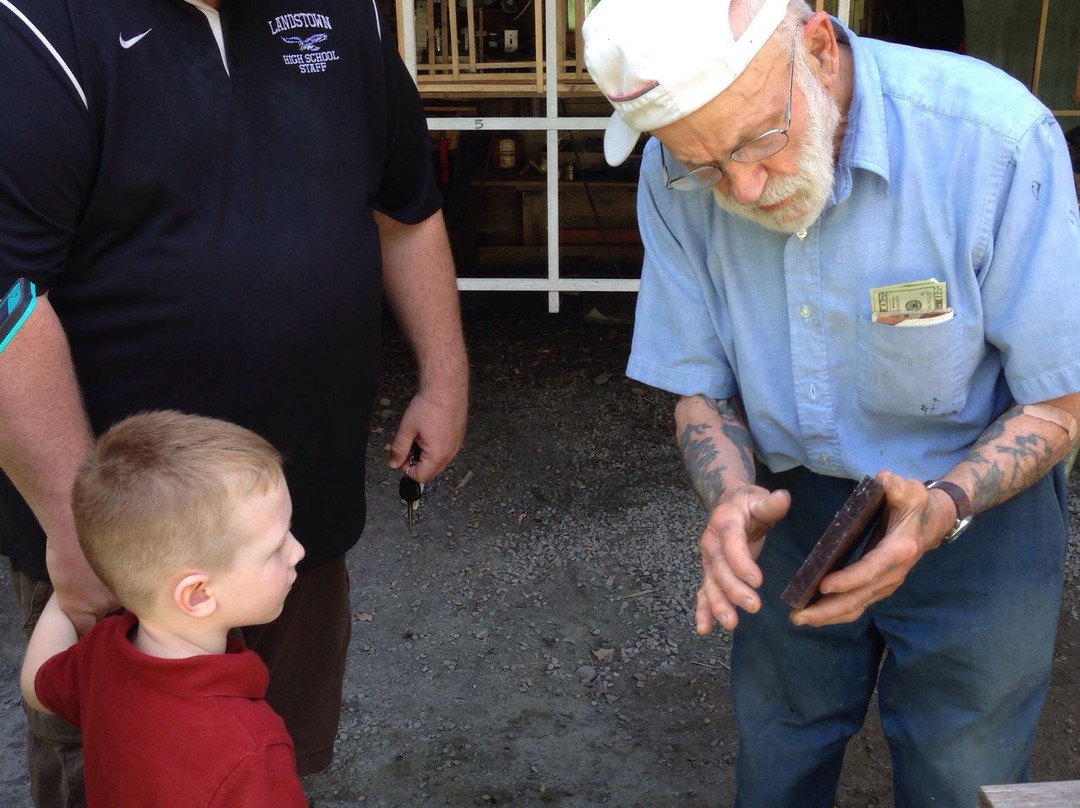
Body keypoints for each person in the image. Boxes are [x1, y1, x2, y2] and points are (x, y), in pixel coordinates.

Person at [582, 0, 1080, 806]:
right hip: (792, 507)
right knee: (778, 758)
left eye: (757, 141)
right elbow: (700, 389)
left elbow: (1060, 405)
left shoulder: (993, 140)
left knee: (963, 776)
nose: (742, 186)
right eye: (708, 165)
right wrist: (732, 497)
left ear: (817, 45)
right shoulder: (675, 168)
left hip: (979, 513)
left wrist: (942, 509)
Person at [0, 0, 468, 805]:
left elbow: (405, 205)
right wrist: (76, 530)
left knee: (264, 754)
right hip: (130, 538)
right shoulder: (35, 27)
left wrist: (445, 375)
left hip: (296, 510)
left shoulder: (350, 11)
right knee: (120, 770)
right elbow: (6, 297)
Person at [21, 412, 308, 807]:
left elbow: (36, 685)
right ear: (197, 595)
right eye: (275, 548)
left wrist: (63, 591)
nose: (298, 552)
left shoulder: (105, 653)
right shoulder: (250, 749)